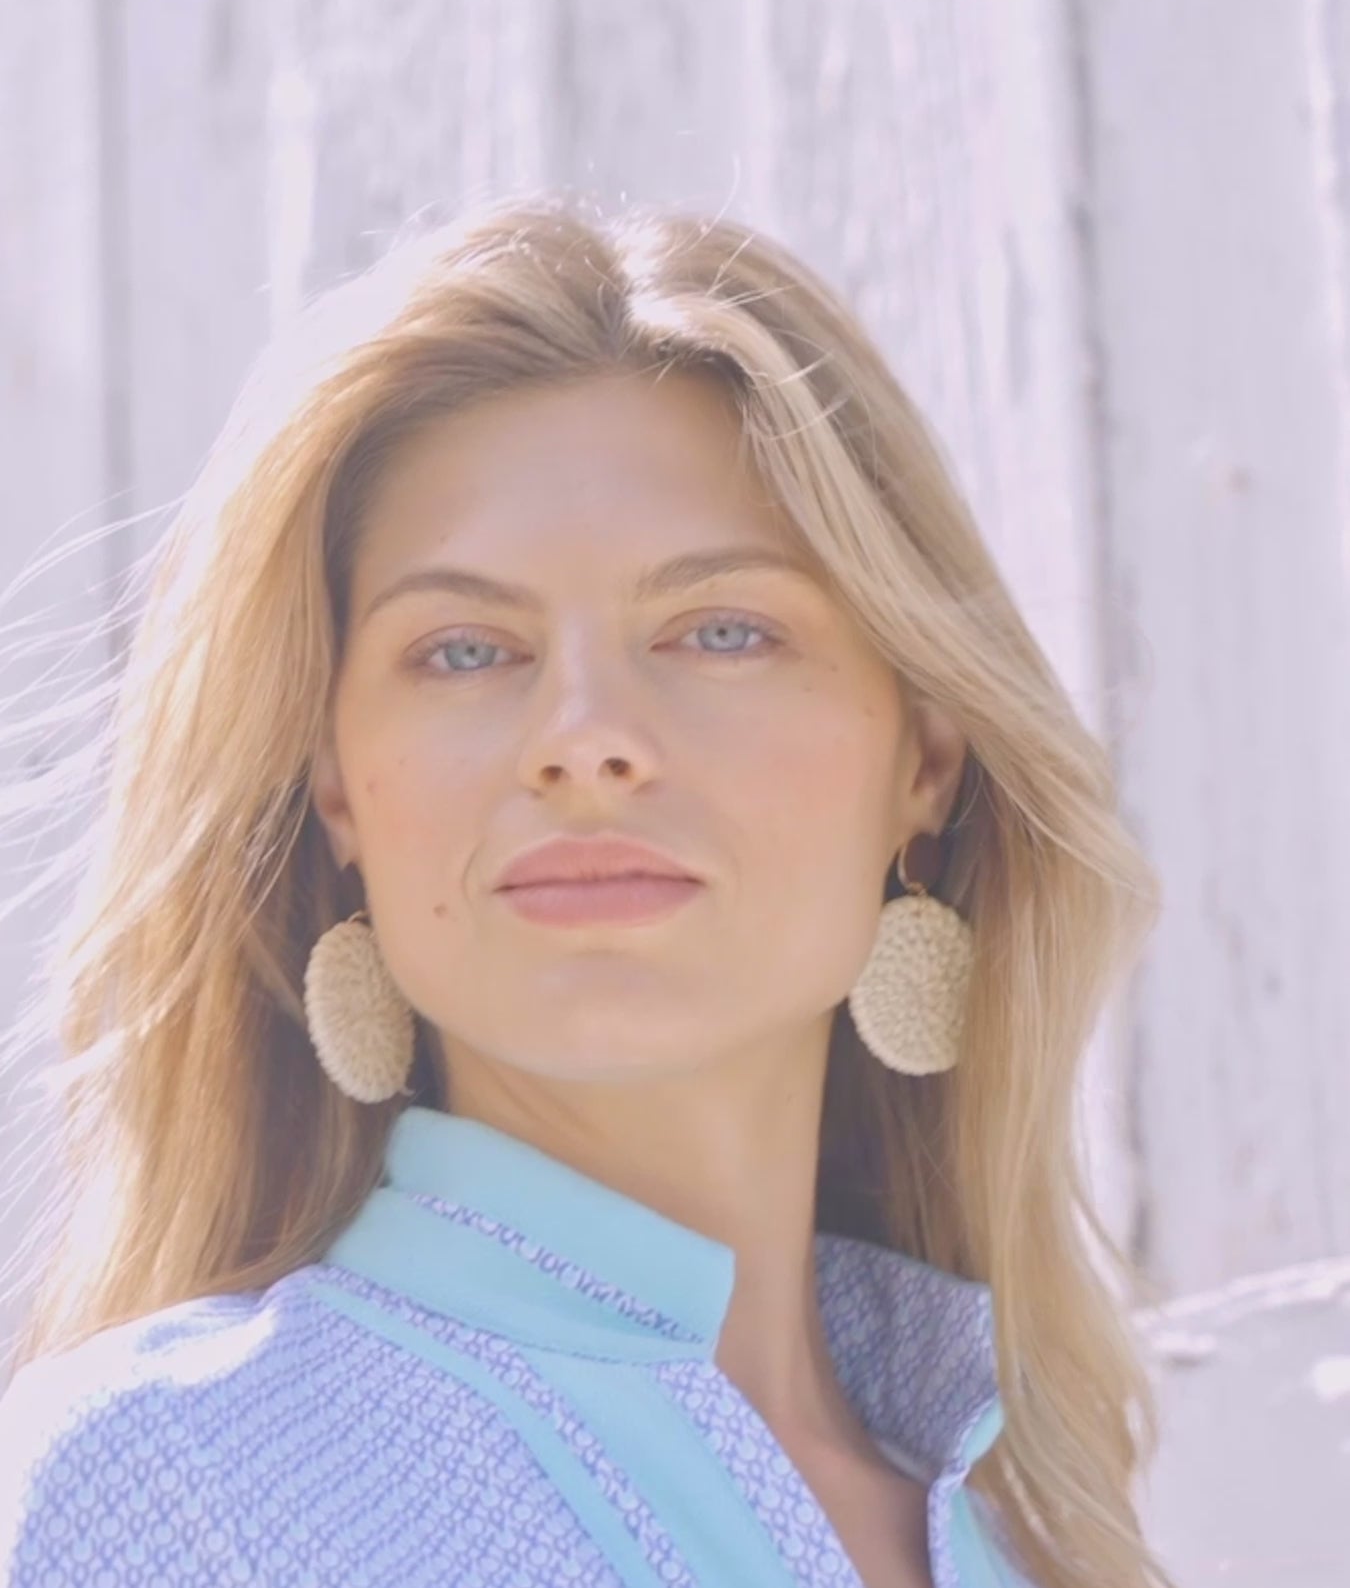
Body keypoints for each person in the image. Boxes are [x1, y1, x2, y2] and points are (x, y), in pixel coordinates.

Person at [0, 198, 1175, 1588]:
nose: (583, 733)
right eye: (461, 649)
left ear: (922, 757)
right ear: (338, 789)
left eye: (720, 629)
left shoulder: (1040, 1529)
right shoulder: (172, 1483)